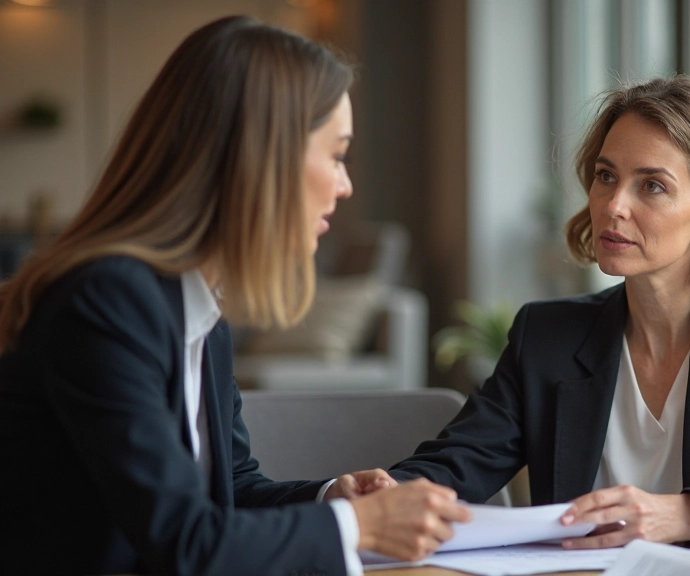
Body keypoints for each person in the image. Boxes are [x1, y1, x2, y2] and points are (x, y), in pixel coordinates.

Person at [0, 16, 468, 576]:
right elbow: (187, 542)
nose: (345, 185)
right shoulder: (106, 301)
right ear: (264, 159)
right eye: (337, 154)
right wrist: (361, 528)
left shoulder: (199, 312)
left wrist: (330, 500)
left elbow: (229, 489)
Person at [342, 75, 690, 550]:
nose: (613, 205)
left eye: (651, 185)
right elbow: (460, 463)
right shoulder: (548, 337)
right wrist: (394, 490)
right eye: (606, 176)